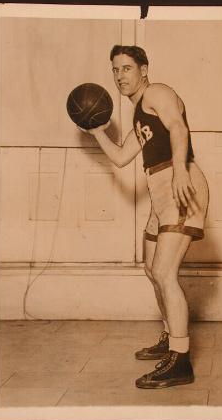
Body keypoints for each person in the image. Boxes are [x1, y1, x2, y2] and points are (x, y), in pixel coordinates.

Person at [81, 45, 209, 389]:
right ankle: (171, 336)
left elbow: (179, 129)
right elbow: (122, 157)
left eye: (126, 68)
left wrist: (181, 169)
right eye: (115, 70)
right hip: (160, 190)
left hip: (181, 184)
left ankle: (181, 361)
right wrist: (96, 132)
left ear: (144, 69)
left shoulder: (157, 93)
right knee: (152, 269)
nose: (120, 75)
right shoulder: (139, 111)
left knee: (166, 273)